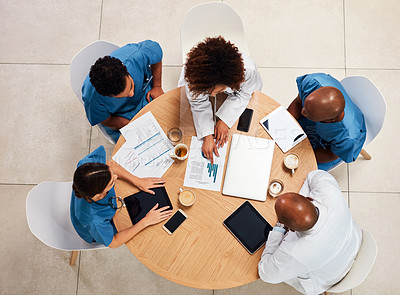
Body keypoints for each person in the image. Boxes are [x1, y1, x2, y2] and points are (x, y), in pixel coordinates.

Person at [258, 170, 362, 295]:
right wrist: (297, 205)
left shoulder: (295, 252)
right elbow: (314, 175)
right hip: (354, 241)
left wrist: (279, 229)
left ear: (291, 229)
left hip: (332, 277)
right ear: (309, 198)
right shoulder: (329, 194)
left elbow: (266, 273)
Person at [178, 36, 262, 163]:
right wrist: (207, 134)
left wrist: (224, 120)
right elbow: (198, 102)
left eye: (218, 91)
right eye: (207, 91)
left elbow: (245, 94)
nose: (212, 95)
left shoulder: (248, 71)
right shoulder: (193, 76)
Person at [70, 145, 172, 248]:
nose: (116, 176)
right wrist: (146, 221)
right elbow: (114, 242)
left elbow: (109, 165)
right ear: (98, 195)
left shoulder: (86, 167)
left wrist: (137, 181)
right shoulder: (93, 220)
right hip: (96, 232)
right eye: (111, 183)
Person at [82, 40, 164, 143]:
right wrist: (130, 125)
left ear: (125, 69)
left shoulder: (136, 55)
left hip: (145, 95)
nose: (131, 94)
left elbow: (156, 53)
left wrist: (157, 86)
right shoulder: (92, 99)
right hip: (120, 116)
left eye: (131, 86)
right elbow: (106, 120)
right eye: (121, 97)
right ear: (106, 95)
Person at [287, 73, 366, 171]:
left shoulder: (348, 138)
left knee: (298, 170)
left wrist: (300, 155)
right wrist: (287, 124)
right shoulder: (312, 82)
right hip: (316, 124)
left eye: (309, 114)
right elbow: (298, 103)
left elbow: (331, 154)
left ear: (330, 120)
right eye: (305, 106)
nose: (302, 112)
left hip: (328, 149)